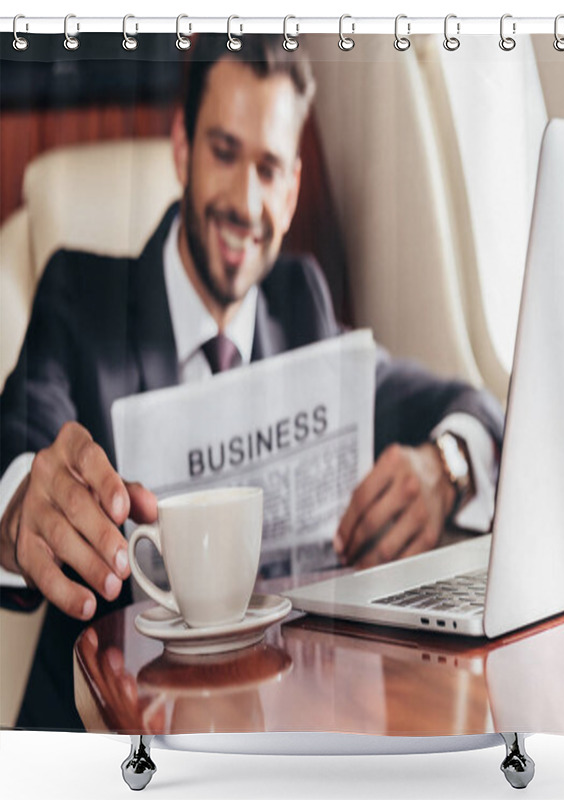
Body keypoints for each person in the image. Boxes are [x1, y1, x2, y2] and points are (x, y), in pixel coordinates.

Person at [0, 35, 504, 730]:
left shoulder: (303, 305)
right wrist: (24, 507)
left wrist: (442, 467)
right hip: (101, 727)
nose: (244, 199)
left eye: (269, 169)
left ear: (293, 190)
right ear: (183, 146)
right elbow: (16, 449)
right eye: (225, 152)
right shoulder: (80, 293)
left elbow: (471, 403)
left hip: (271, 720)